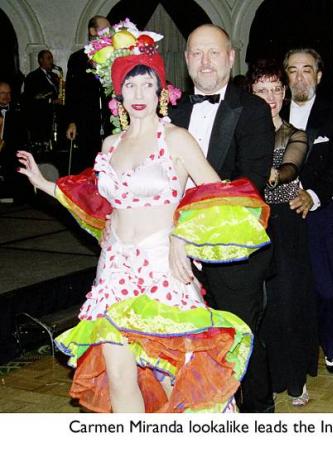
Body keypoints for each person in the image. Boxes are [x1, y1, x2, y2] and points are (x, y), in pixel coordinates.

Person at [16, 21, 270, 412]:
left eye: (146, 84)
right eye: (129, 85)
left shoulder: (176, 138)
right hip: (114, 269)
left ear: (160, 91)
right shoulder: (110, 144)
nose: (138, 94)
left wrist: (182, 236)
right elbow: (97, 199)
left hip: (162, 269)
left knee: (179, 378)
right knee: (120, 376)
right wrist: (44, 184)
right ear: (118, 93)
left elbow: (218, 195)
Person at [170, 24, 275, 413]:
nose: (205, 62)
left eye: (214, 52)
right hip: (172, 249)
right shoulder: (171, 111)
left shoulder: (253, 110)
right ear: (186, 60)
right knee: (185, 341)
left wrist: (189, 231)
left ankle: (258, 415)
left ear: (231, 58)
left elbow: (249, 187)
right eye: (197, 53)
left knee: (239, 339)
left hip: (232, 249)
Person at [246, 60, 317, 406]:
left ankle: (295, 379)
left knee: (288, 302)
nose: (270, 97)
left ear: (284, 93)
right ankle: (269, 378)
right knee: (262, 305)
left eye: (276, 89)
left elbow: (289, 168)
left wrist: (263, 173)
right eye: (262, 90)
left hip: (285, 223)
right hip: (251, 223)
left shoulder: (295, 133)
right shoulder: (242, 133)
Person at [280, 47, 333, 372]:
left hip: (320, 212)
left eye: (307, 70)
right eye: (293, 70)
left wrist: (313, 195)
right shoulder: (271, 111)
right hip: (280, 214)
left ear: (319, 76)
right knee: (288, 289)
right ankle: (297, 356)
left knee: (326, 286)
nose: (300, 77)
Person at [65, 15, 113, 172]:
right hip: (86, 120)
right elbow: (71, 92)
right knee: (87, 165)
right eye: (104, 29)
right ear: (92, 31)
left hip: (109, 120)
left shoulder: (114, 55)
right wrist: (71, 121)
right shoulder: (78, 58)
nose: (109, 33)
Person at [22, 49, 64, 149]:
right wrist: (51, 101)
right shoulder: (32, 76)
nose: (51, 61)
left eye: (51, 58)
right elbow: (29, 99)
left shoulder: (54, 76)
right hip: (40, 117)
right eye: (48, 58)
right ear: (41, 60)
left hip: (54, 115)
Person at [0, 81, 29, 203]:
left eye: (9, 93)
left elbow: (21, 138)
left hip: (9, 151)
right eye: (2, 93)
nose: (6, 96)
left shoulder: (18, 112)